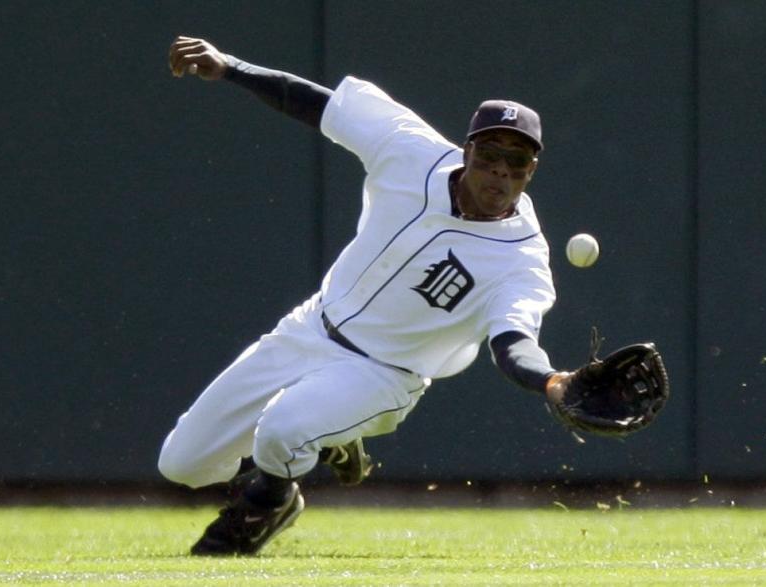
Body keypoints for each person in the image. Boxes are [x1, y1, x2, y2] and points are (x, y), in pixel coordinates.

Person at [160, 35, 575, 556]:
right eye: (491, 154)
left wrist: (551, 380)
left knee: (283, 431)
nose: (501, 171)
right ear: (467, 150)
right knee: (181, 465)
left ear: (530, 171)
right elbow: (318, 105)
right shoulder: (410, 149)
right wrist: (231, 67)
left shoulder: (522, 258)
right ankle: (326, 437)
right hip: (310, 326)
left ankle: (272, 499)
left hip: (384, 374)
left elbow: (513, 342)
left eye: (518, 162)